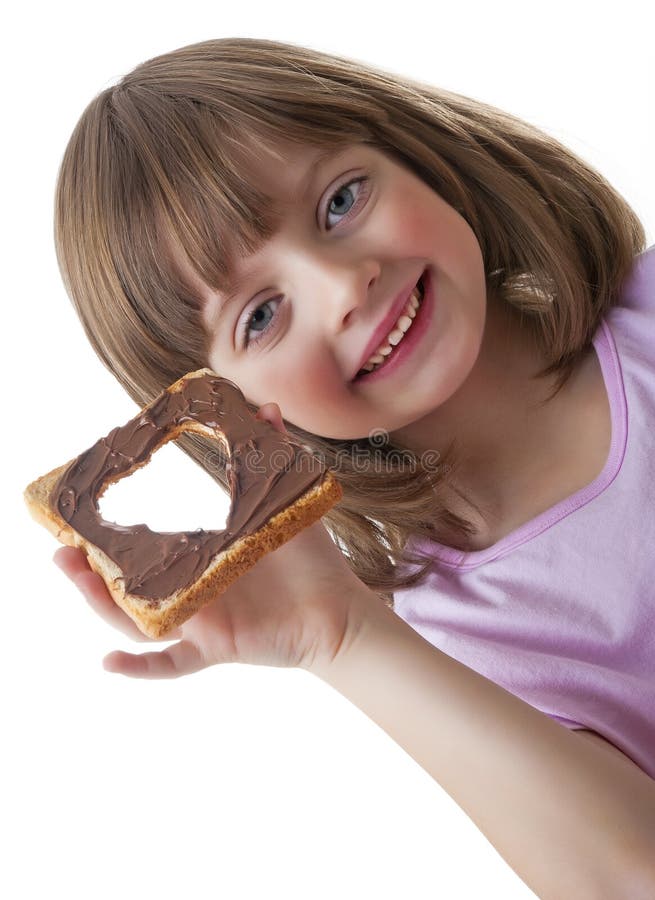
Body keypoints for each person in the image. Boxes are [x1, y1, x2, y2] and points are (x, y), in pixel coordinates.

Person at [51, 37, 655, 897]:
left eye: (340, 201)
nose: (342, 289)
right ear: (221, 409)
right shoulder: (450, 640)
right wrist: (339, 638)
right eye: (261, 316)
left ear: (418, 155)